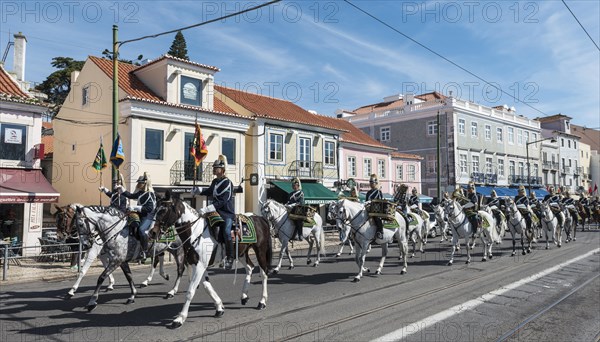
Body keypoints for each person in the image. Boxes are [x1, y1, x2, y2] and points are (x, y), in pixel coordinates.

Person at [192, 155, 236, 270]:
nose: (214, 169)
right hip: (216, 212)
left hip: (226, 212)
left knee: (226, 232)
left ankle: (230, 257)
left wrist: (207, 209)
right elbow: (210, 191)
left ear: (222, 170)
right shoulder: (215, 181)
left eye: (216, 168)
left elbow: (223, 201)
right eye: (214, 167)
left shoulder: (227, 183)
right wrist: (198, 190)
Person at [119, 172, 156, 260]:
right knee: (129, 224)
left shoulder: (150, 194)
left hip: (148, 216)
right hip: (140, 214)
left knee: (141, 230)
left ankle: (144, 251)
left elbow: (149, 208)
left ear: (145, 184)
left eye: (140, 183)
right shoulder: (140, 193)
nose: (138, 184)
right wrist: (122, 189)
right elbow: (131, 196)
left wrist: (135, 207)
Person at [285, 177, 305, 242]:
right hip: (291, 209)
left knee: (298, 220)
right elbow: (289, 201)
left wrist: (292, 205)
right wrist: (286, 204)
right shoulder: (290, 194)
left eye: (295, 185)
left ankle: (300, 234)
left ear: (298, 186)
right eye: (293, 185)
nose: (294, 187)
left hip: (299, 209)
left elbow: (300, 202)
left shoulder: (301, 193)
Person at [365, 174, 384, 239]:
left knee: (376, 217)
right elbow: (366, 200)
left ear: (375, 183)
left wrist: (371, 202)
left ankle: (380, 231)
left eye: (371, 182)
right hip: (368, 208)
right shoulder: (368, 192)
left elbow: (380, 201)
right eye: (370, 182)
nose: (370, 184)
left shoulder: (378, 191)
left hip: (376, 209)